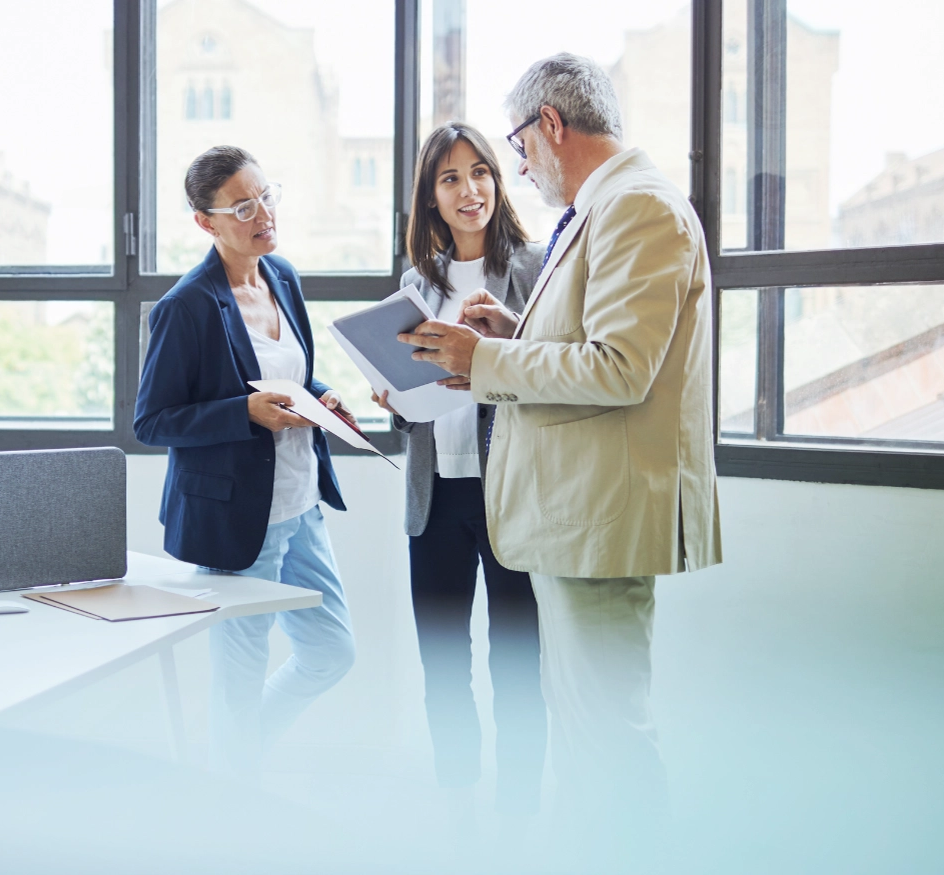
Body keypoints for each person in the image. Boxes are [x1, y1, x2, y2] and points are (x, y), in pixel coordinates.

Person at [399, 53, 723, 867]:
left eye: (517, 147)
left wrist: (485, 362)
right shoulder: (600, 210)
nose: (518, 169)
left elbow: (618, 368)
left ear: (551, 124)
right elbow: (590, 347)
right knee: (585, 735)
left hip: (600, 517)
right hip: (574, 518)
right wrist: (511, 339)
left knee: (608, 731)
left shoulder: (637, 207)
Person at [134, 146, 356, 779]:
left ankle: (239, 755)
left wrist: (322, 397)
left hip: (302, 503)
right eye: (243, 206)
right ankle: (231, 800)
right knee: (238, 681)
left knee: (331, 652)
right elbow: (151, 421)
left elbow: (293, 376)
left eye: (266, 196)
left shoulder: (281, 275)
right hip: (238, 523)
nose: (263, 214)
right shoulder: (188, 306)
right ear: (206, 222)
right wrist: (244, 413)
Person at [370, 122, 546, 830]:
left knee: (518, 660)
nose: (468, 189)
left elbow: (551, 372)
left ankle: (519, 805)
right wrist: (393, 398)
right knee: (443, 657)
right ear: (431, 198)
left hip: (511, 492)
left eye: (480, 172)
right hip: (434, 493)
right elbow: (415, 390)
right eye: (449, 179)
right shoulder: (416, 285)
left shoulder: (534, 269)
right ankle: (456, 798)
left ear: (498, 184)